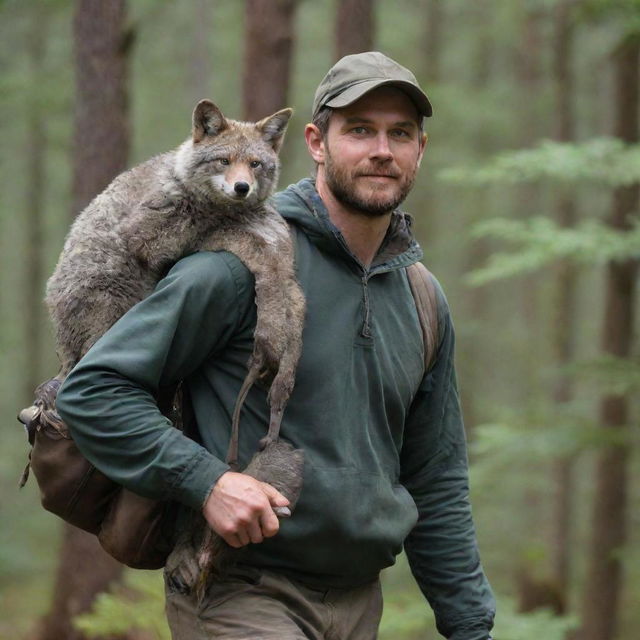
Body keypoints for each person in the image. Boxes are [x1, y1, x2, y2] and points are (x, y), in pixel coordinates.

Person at [57, 51, 495, 640]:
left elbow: (435, 475)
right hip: (241, 591)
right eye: (360, 130)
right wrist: (206, 480)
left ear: (421, 149)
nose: (381, 150)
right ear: (316, 142)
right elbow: (94, 389)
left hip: (359, 602)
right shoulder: (239, 264)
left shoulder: (421, 297)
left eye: (400, 133)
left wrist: (470, 623)